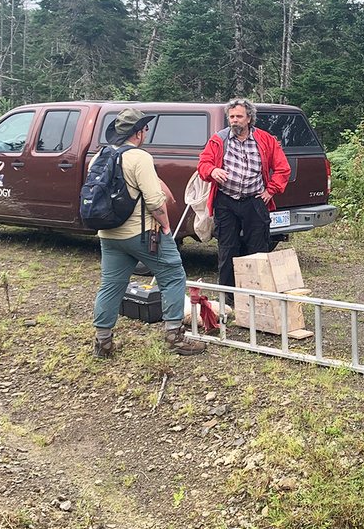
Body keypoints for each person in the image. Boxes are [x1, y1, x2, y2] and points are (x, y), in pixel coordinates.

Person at [92, 108, 207, 358]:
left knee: (111, 285)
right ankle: (174, 336)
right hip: (141, 232)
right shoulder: (139, 157)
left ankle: (103, 342)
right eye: (144, 129)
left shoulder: (100, 155)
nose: (145, 132)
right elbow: (155, 201)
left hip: (109, 233)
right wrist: (166, 226)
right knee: (173, 274)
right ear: (138, 133)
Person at [197, 98, 291, 298]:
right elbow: (203, 164)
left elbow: (283, 168)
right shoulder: (218, 140)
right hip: (226, 201)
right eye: (231, 117)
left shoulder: (265, 140)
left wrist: (271, 190)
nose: (234, 120)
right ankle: (228, 299)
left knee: (257, 249)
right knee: (227, 249)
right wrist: (212, 170)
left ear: (249, 118)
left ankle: (256, 296)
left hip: (254, 201)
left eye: (239, 116)